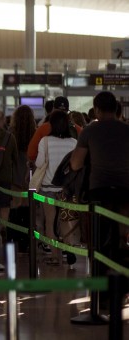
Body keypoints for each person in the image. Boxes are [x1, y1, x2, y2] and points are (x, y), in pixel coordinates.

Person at [71, 91, 129, 277]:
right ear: (116, 109)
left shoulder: (89, 131)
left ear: (96, 110)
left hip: (99, 191)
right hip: (124, 191)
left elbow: (75, 164)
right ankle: (120, 282)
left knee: (100, 239)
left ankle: (100, 285)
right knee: (121, 237)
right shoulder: (126, 130)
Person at [35, 110, 77, 265]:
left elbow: (39, 163)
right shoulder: (73, 142)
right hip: (66, 189)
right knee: (66, 220)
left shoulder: (45, 141)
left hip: (48, 188)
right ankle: (70, 249)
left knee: (50, 222)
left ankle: (54, 256)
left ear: (50, 124)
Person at [28, 96, 83, 163]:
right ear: (68, 112)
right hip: (69, 171)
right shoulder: (78, 130)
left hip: (48, 171)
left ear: (53, 110)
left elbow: (31, 154)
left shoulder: (43, 128)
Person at [9, 105, 36, 194]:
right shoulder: (35, 133)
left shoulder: (11, 133)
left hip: (15, 169)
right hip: (32, 168)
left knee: (16, 198)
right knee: (29, 199)